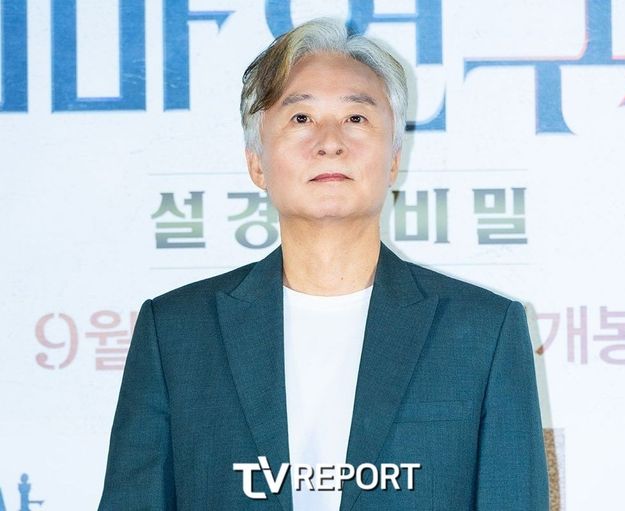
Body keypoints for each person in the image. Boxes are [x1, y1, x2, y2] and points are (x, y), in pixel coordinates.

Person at [98, 18, 549, 510]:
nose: (330, 142)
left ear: (393, 159)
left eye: (356, 118)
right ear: (256, 162)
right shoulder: (176, 333)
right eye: (301, 118)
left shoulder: (484, 331)